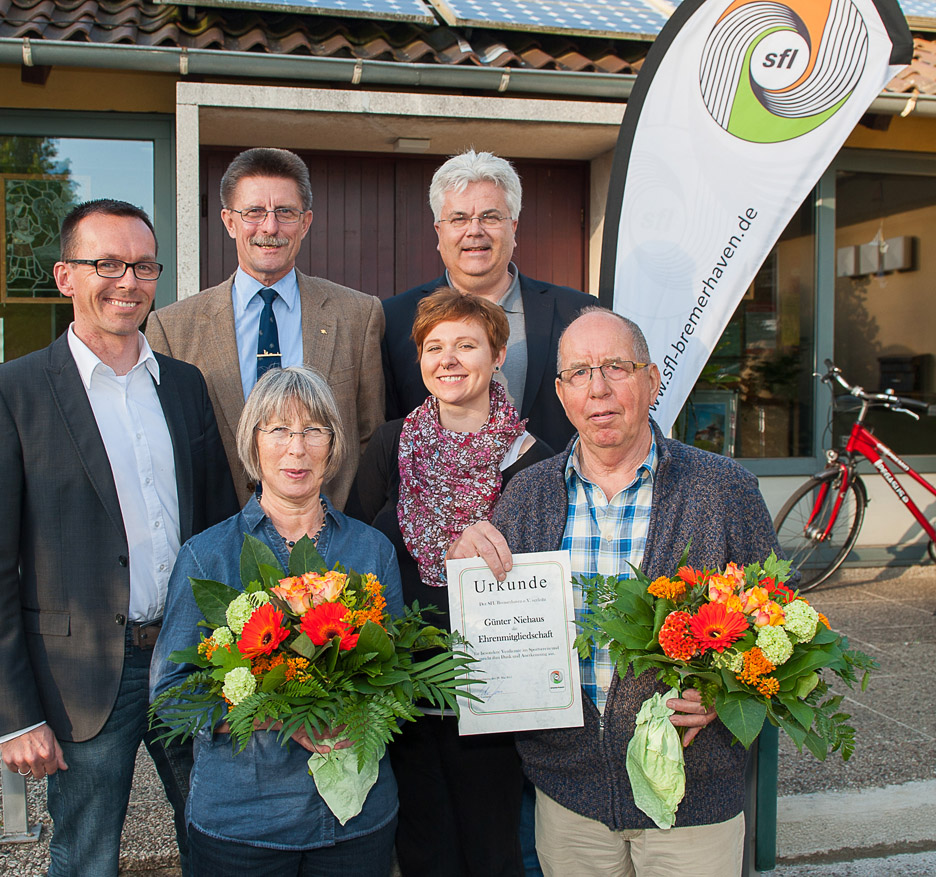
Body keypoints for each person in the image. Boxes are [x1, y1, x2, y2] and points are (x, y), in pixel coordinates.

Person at [448, 308, 786, 877]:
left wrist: (731, 694)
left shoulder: (725, 489)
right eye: (580, 372)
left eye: (616, 367)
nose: (598, 388)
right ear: (561, 393)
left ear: (652, 381)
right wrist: (468, 572)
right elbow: (493, 636)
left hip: (693, 803)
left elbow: (784, 624)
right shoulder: (527, 495)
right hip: (571, 803)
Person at [0, 199, 238, 877]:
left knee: (223, 838)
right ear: (64, 276)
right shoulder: (10, 393)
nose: (127, 280)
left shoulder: (185, 386)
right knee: (84, 857)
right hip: (80, 675)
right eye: (105, 263)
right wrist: (13, 713)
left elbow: (219, 526)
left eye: (143, 265)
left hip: (187, 659)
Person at [151, 367, 402, 876]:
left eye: (313, 430)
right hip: (244, 824)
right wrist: (277, 714)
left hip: (355, 822)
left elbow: (401, 676)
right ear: (252, 443)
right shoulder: (208, 557)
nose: (296, 448)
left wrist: (360, 708)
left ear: (332, 446)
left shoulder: (370, 549)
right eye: (278, 430)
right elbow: (170, 699)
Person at [348, 288, 552, 877]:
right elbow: (359, 554)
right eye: (434, 347)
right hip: (402, 688)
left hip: (492, 694)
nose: (450, 359)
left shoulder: (534, 459)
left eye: (467, 345)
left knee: (494, 848)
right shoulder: (390, 445)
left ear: (498, 354)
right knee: (421, 844)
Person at [146, 147, 384, 510]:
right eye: (254, 212)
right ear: (229, 221)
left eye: (285, 212)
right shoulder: (171, 328)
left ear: (305, 223)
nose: (270, 227)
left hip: (329, 543)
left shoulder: (358, 315)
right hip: (218, 544)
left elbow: (369, 436)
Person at [381, 149, 594, 453]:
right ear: (439, 233)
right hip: (430, 498)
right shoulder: (395, 320)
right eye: (459, 218)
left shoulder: (576, 313)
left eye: (490, 217)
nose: (475, 230)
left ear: (514, 227)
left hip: (551, 496)